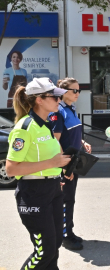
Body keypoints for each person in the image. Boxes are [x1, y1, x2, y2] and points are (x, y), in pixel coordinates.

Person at [5, 77, 71, 269]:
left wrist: (64, 167)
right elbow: (11, 168)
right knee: (45, 251)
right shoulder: (24, 128)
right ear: (39, 100)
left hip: (52, 189)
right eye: (55, 97)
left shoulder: (46, 124)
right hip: (33, 193)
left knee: (55, 245)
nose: (59, 100)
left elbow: (51, 157)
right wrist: (52, 163)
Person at [48, 77, 91, 251]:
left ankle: (69, 231)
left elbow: (70, 133)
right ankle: (65, 236)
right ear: (64, 92)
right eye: (74, 90)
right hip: (65, 164)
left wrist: (81, 141)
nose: (77, 94)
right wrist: (65, 166)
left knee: (70, 199)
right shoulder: (58, 112)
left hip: (72, 161)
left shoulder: (70, 109)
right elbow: (55, 141)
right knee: (65, 200)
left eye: (79, 90)